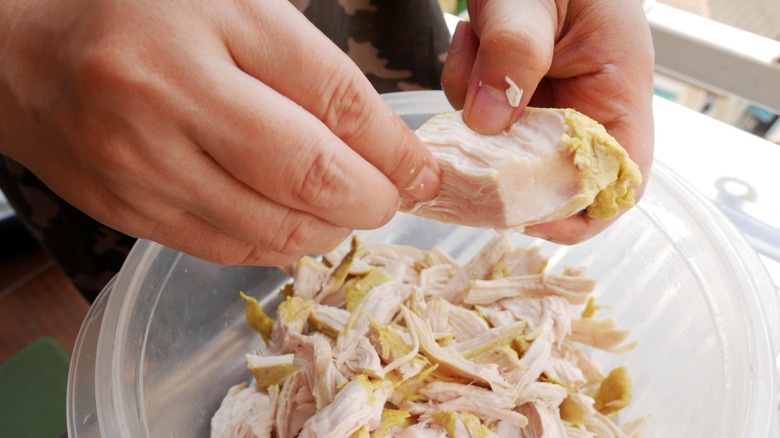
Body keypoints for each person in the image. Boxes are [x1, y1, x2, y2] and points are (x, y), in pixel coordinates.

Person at [0, 0, 654, 302]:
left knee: (425, 262)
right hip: (108, 106)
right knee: (179, 328)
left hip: (381, 35)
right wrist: (23, 37)